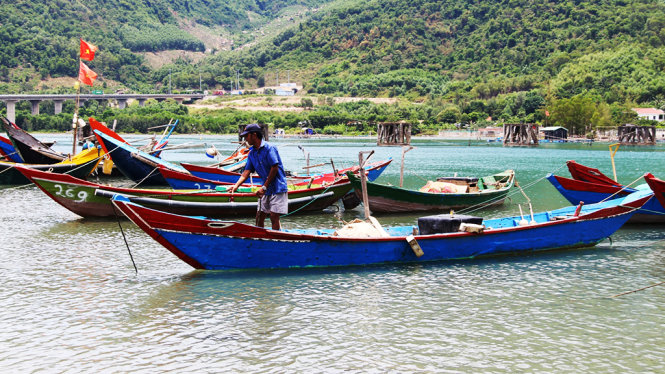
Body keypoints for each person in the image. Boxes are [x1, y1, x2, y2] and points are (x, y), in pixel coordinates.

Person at [229, 124, 288, 230]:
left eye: (247, 136)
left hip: (277, 187)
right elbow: (246, 171)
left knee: (274, 216)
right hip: (265, 188)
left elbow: (274, 168)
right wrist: (236, 186)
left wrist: (264, 187)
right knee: (259, 215)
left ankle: (275, 239)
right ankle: (260, 238)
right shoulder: (252, 153)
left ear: (254, 135)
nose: (245, 139)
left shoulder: (269, 148)